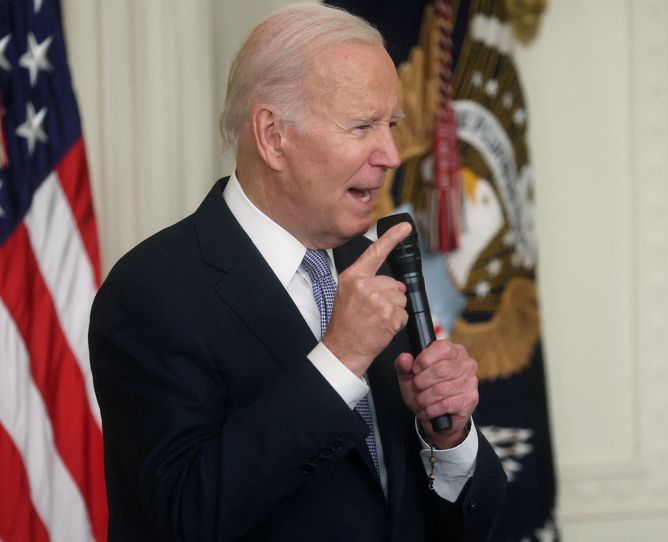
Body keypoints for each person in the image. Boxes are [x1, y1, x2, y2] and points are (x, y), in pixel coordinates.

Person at [88, 4, 506, 541]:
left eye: (392, 125)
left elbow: (455, 521)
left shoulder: (374, 263)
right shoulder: (151, 291)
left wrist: (445, 437)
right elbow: (189, 515)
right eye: (362, 126)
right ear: (272, 135)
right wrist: (339, 360)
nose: (393, 155)